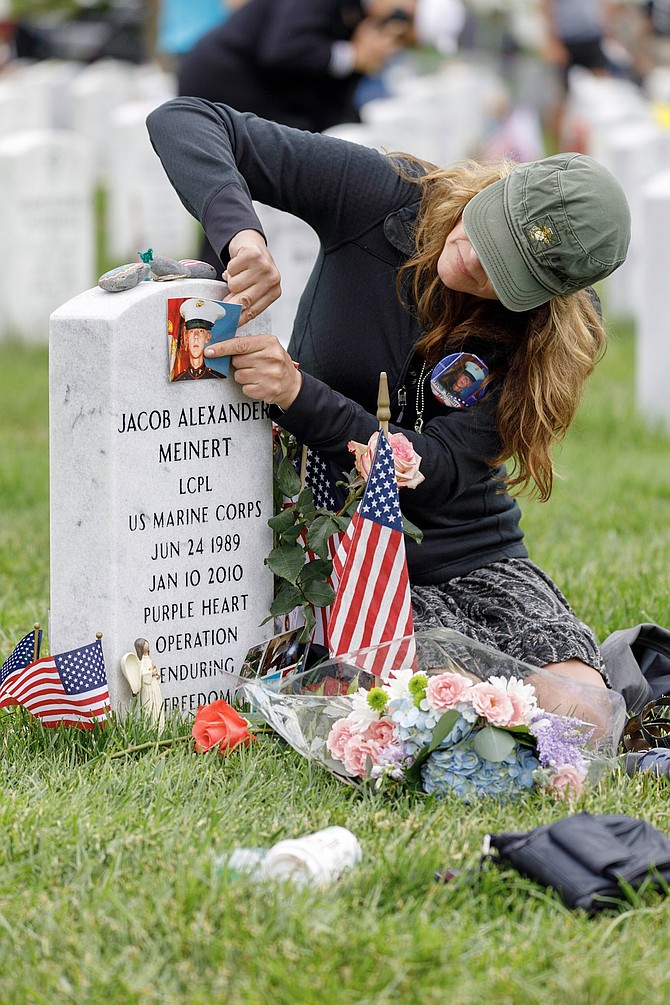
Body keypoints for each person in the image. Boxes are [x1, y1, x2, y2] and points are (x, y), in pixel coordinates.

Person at [146, 98, 631, 724]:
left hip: (467, 548)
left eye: (508, 275)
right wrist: (241, 234)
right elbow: (184, 120)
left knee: (582, 713)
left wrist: (298, 395)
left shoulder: (539, 335)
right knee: (445, 711)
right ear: (501, 185)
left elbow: (442, 469)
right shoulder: (382, 197)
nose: (476, 262)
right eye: (492, 234)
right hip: (341, 542)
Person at [172, 298, 227, 380]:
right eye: (192, 331)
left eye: (201, 331)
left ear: (207, 337)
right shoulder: (177, 379)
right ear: (186, 338)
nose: (196, 336)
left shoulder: (219, 379)